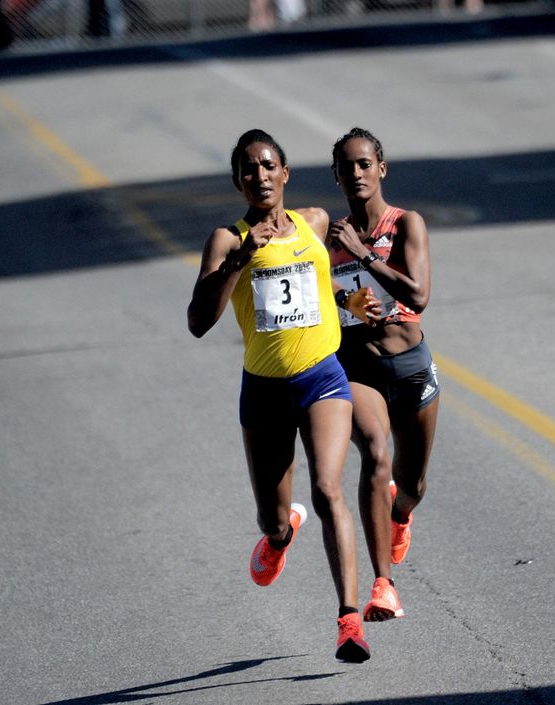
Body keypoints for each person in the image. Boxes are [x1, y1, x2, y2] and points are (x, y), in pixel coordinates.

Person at [187, 129, 382, 663]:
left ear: (285, 173)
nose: (260, 176)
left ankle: (348, 622)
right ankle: (279, 536)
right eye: (248, 170)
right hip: (265, 392)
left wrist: (354, 301)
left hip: (322, 378)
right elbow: (198, 322)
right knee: (272, 519)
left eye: (268, 166)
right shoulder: (227, 240)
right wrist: (237, 263)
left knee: (327, 488)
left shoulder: (314, 222)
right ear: (238, 182)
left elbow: (324, 284)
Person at [326, 127, 440, 623]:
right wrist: (343, 298)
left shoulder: (407, 223)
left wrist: (367, 255)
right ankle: (383, 585)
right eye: (347, 167)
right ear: (336, 176)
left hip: (411, 368)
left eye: (364, 164)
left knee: (411, 482)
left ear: (381, 169)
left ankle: (401, 512)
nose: (356, 173)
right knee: (376, 454)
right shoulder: (329, 239)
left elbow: (417, 296)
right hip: (360, 369)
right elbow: (316, 295)